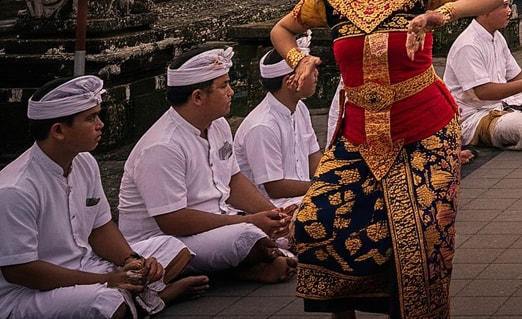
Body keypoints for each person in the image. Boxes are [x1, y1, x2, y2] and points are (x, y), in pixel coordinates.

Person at [268, 0, 509, 317]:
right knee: (319, 226)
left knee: (419, 242)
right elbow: (283, 28)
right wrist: (299, 58)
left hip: (424, 128)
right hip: (358, 133)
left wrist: (442, 14)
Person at [0, 75, 206, 318]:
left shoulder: (85, 162)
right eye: (91, 118)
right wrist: (106, 280)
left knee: (172, 248)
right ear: (58, 130)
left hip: (87, 266)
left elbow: (101, 228)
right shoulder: (15, 188)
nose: (101, 124)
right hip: (30, 292)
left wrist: (132, 260)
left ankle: (139, 300)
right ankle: (154, 298)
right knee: (105, 300)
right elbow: (22, 272)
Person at [118, 45, 294, 283]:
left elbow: (234, 180)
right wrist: (249, 220)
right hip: (166, 239)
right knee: (247, 237)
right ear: (198, 97)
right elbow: (173, 221)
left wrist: (273, 214)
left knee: (288, 224)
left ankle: (248, 264)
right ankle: (244, 266)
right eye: (224, 86)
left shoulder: (218, 125)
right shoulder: (162, 145)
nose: (232, 92)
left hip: (219, 221)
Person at [445, 0, 522, 149]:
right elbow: (483, 92)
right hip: (472, 118)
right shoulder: (468, 45)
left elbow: (516, 75)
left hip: (501, 106)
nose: (509, 11)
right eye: (504, 6)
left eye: (509, 6)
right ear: (484, 10)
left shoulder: (497, 37)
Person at [234, 33, 321, 207]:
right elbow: (275, 188)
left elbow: (314, 157)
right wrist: (324, 186)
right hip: (273, 206)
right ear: (291, 82)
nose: (316, 74)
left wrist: (337, 179)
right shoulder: (262, 126)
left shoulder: (300, 109)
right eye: (310, 71)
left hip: (303, 195)